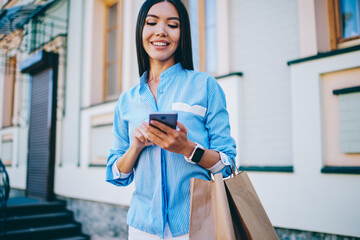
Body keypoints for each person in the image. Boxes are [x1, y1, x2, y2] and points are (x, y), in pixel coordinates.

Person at [106, 0, 236, 239]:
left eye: (172, 25)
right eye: (152, 22)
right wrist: (134, 147)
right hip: (141, 228)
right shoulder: (126, 101)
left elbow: (227, 165)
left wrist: (187, 148)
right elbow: (116, 175)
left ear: (182, 33)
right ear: (141, 31)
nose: (161, 31)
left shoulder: (205, 86)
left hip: (195, 224)